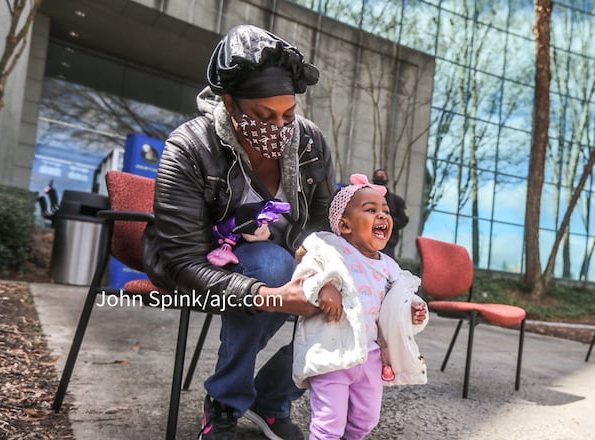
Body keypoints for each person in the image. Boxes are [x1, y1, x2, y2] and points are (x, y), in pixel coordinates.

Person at [141, 24, 338, 440]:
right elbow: (180, 259)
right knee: (270, 265)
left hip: (287, 261)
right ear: (228, 102)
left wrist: (323, 271)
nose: (279, 127)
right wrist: (267, 295)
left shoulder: (310, 143)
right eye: (263, 116)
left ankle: (272, 397)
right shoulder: (189, 147)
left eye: (288, 114)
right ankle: (225, 401)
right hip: (204, 268)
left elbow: (322, 222)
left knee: (353, 291)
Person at [291, 174, 429, 440]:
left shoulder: (389, 267)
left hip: (371, 357)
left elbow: (400, 299)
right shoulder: (331, 250)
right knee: (328, 422)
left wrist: (413, 310)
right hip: (333, 352)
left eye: (385, 211)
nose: (382, 215)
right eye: (371, 210)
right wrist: (324, 286)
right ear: (344, 225)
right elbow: (305, 270)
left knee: (366, 420)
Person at [371, 169, 409, 259]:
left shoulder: (397, 201)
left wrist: (388, 222)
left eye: (382, 176)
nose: (380, 178)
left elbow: (404, 219)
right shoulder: (365, 197)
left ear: (387, 180)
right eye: (378, 176)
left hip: (388, 244)